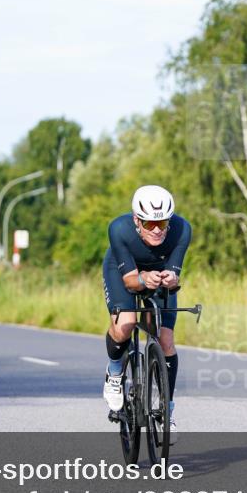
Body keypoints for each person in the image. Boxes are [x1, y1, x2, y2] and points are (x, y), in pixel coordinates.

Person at [102, 185, 191, 442]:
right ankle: (115, 372)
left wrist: (171, 277)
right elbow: (130, 282)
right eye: (149, 223)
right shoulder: (119, 229)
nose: (156, 230)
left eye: (162, 223)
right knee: (126, 323)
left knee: (165, 340)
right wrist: (142, 278)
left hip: (159, 275)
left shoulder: (182, 230)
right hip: (125, 272)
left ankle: (166, 409)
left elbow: (175, 276)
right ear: (136, 220)